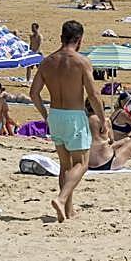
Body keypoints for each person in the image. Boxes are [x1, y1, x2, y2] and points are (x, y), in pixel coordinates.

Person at [30, 20, 108, 222]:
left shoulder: (47, 61)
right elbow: (93, 94)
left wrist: (44, 115)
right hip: (74, 115)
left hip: (55, 114)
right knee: (81, 164)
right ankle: (62, 198)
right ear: (79, 39)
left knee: (65, 165)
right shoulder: (81, 61)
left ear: (61, 37)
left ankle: (68, 210)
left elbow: (34, 93)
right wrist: (102, 119)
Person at [86, 102, 131, 170]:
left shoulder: (84, 120)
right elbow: (111, 141)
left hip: (90, 164)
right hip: (107, 163)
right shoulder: (105, 121)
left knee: (127, 140)